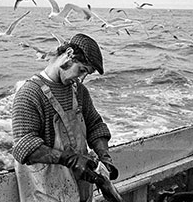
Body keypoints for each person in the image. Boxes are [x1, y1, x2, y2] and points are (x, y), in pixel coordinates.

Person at [12, 33, 119, 202]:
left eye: (87, 74)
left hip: (81, 191)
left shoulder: (79, 91)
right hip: (48, 193)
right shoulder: (30, 94)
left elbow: (95, 125)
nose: (81, 78)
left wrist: (105, 157)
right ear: (69, 54)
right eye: (82, 70)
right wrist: (70, 159)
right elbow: (24, 147)